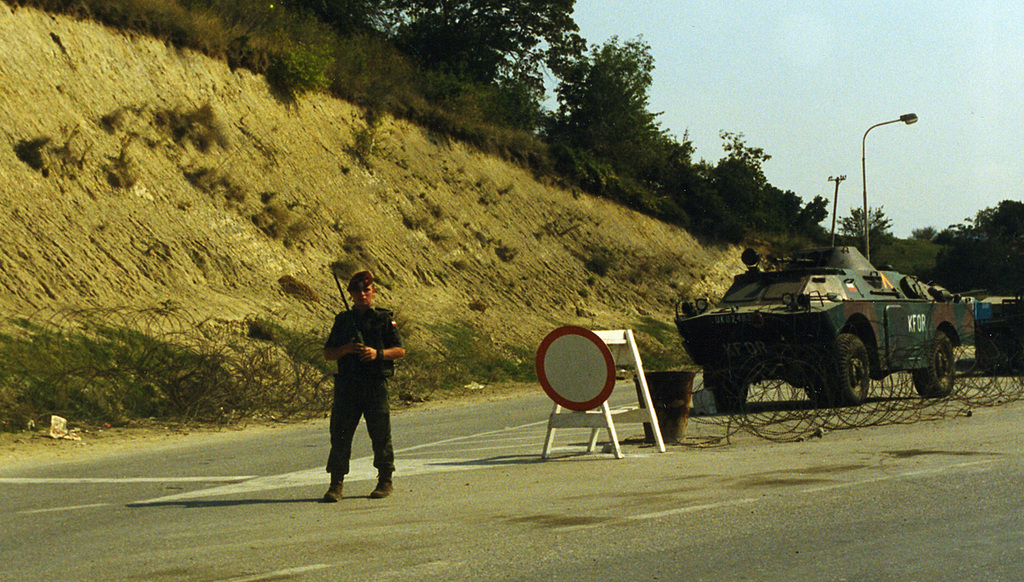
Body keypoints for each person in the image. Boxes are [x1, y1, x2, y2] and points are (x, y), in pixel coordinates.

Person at [322, 270, 405, 502]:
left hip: (374, 385)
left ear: (373, 292)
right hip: (348, 386)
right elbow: (328, 353)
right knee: (339, 436)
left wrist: (376, 353)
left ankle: (385, 480)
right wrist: (346, 350)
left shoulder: (384, 318)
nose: (362, 295)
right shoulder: (343, 321)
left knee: (380, 435)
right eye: (357, 291)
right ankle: (336, 484)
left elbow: (399, 350)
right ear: (350, 294)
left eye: (366, 290)